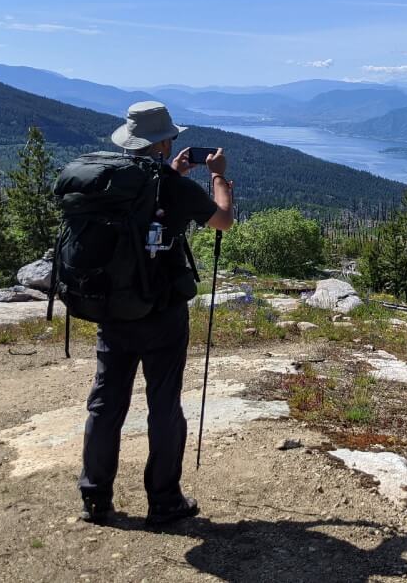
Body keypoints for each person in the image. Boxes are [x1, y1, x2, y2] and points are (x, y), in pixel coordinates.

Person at [78, 101, 234, 525]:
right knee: (163, 404)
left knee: (106, 402)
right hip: (162, 311)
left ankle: (95, 496)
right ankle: (164, 501)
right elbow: (222, 221)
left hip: (113, 308)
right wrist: (218, 177)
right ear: (163, 142)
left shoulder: (111, 181)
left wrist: (175, 175)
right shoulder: (169, 184)